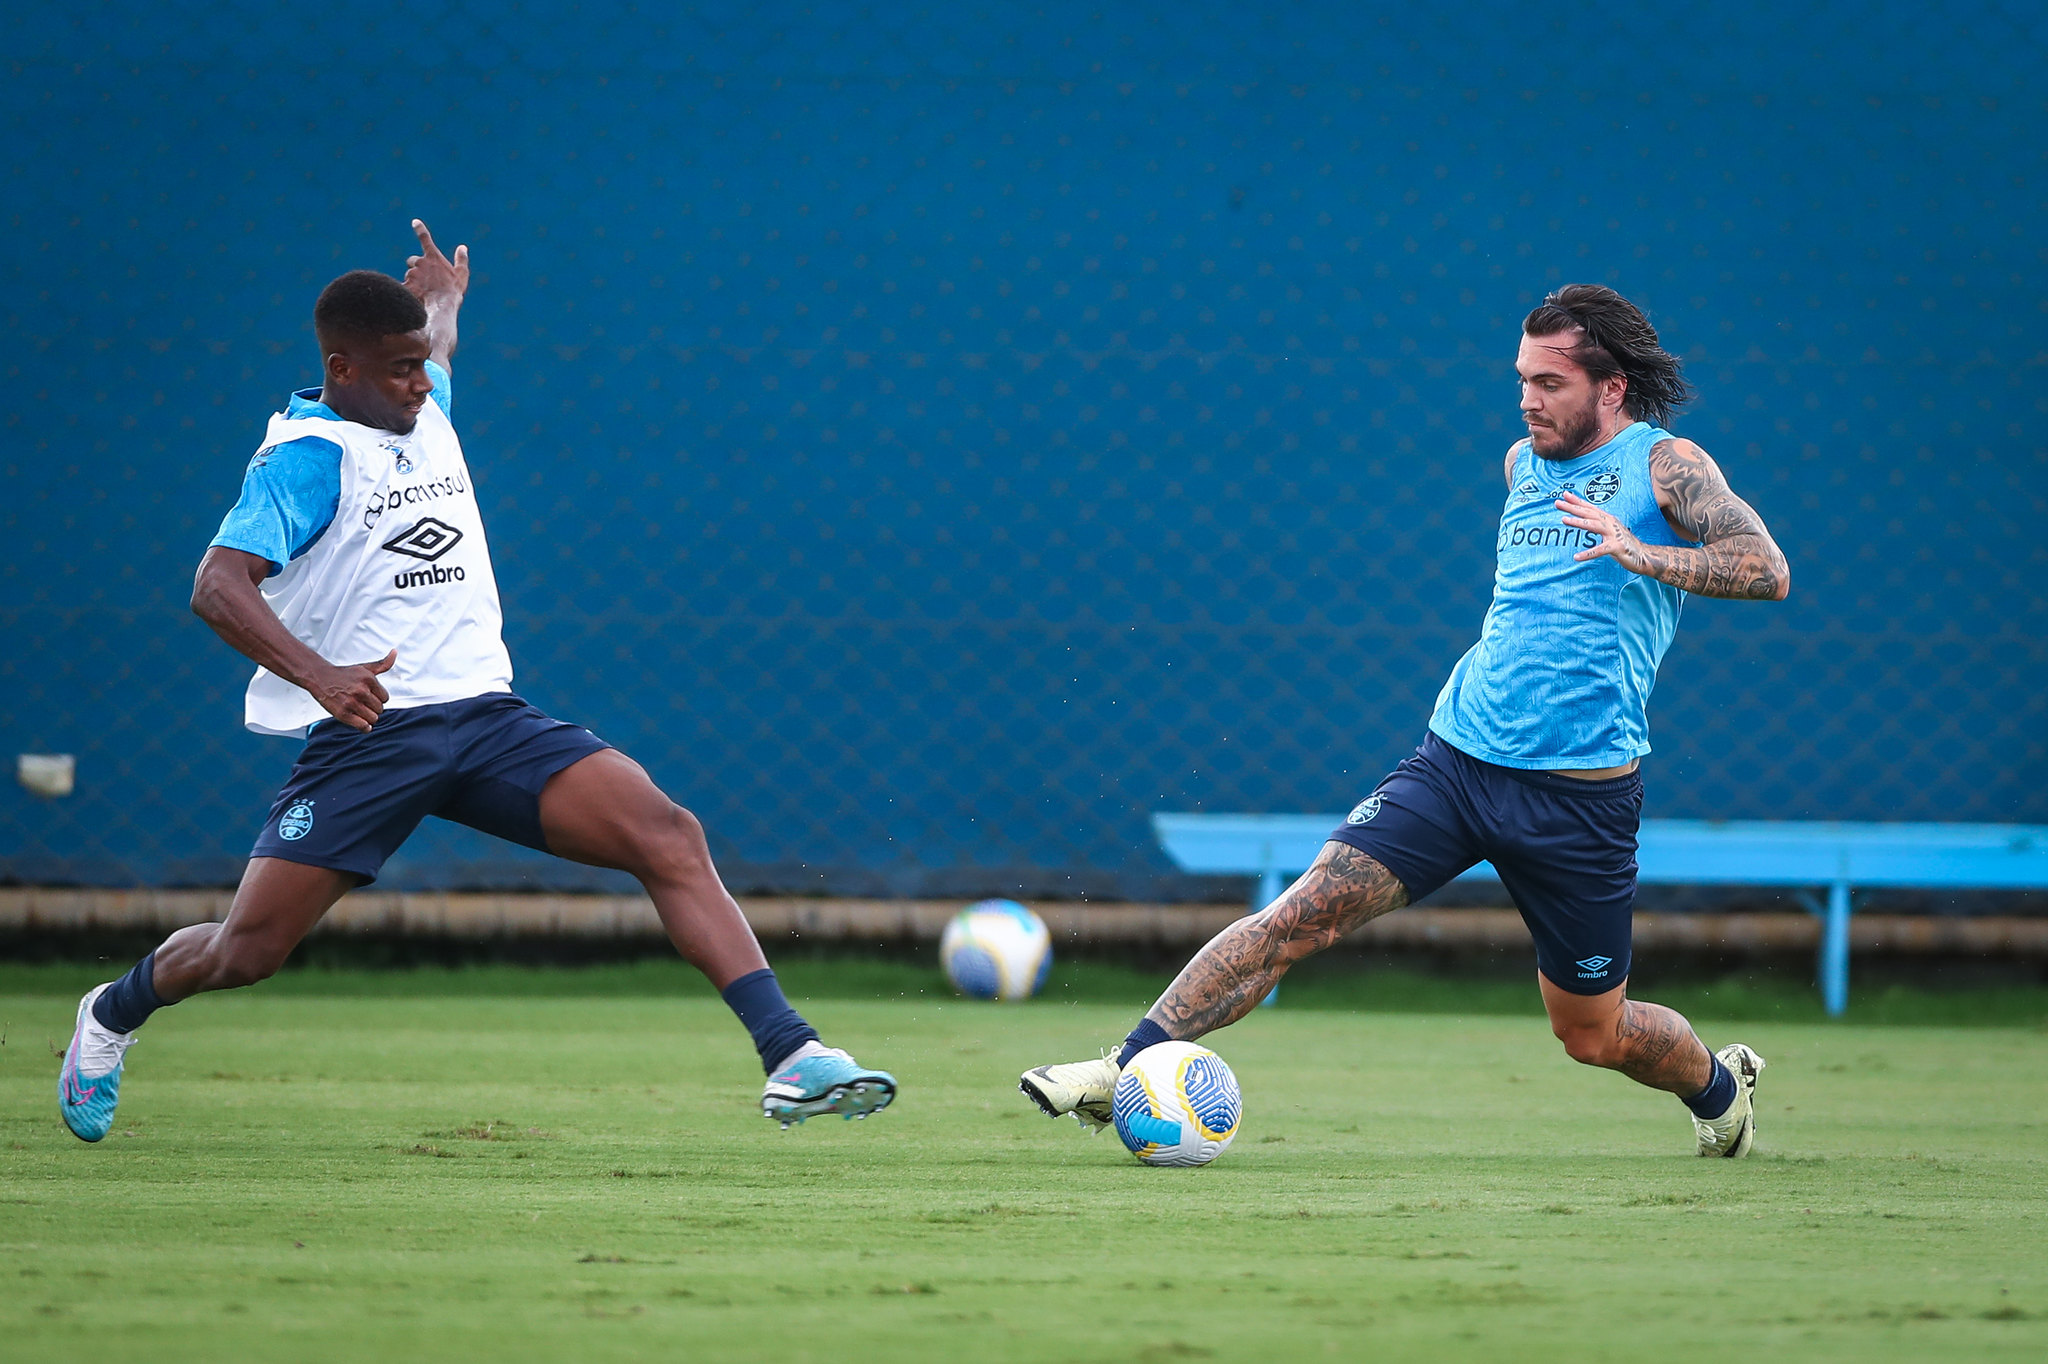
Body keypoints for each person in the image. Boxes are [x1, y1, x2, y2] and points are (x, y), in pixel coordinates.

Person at [59, 221, 894, 1141]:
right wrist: (321, 677)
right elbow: (216, 586)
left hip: (489, 721)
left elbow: (435, 352)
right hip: (371, 735)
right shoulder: (307, 459)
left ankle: (792, 1054)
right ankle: (112, 1012)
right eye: (400, 369)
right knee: (245, 951)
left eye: (423, 364)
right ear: (342, 369)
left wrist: (443, 307)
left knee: (667, 833)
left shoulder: (421, 405)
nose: (422, 382)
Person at [1022, 284, 1790, 1157]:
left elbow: (1765, 568)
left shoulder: (1666, 467)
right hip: (1457, 765)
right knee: (1298, 917)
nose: (1528, 399)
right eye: (1521, 379)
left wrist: (1639, 551)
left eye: (1550, 382)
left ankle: (1721, 1093)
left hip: (1580, 804)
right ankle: (1124, 1064)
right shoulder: (1521, 463)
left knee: (1593, 1034)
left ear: (1610, 388)